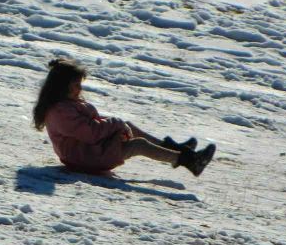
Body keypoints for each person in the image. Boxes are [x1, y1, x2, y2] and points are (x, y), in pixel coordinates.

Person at [32, 58, 215, 176]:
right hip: (85, 158)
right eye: (76, 85)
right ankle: (189, 161)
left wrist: (117, 126)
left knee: (128, 126)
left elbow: (93, 122)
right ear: (62, 86)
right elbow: (91, 133)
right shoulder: (60, 112)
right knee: (138, 145)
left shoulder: (67, 104)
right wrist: (115, 124)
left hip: (90, 151)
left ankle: (177, 149)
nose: (80, 89)